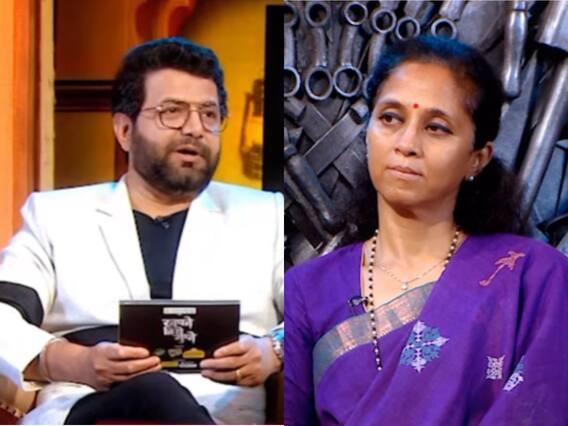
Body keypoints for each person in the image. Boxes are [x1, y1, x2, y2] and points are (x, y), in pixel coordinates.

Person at [285, 35, 568, 425]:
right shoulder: (309, 289)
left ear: (477, 158)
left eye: (436, 127)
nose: (406, 143)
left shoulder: (534, 278)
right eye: (390, 118)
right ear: (367, 132)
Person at [0, 37, 283, 425]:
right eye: (172, 112)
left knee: (161, 393)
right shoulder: (55, 215)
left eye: (209, 114)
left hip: (219, 413)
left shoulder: (266, 216)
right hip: (88, 408)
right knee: (152, 389)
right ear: (124, 130)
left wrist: (272, 351)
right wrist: (75, 361)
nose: (195, 128)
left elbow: (313, 317)